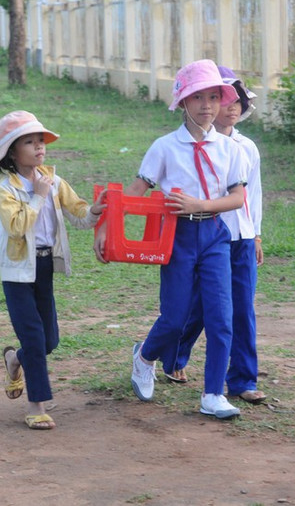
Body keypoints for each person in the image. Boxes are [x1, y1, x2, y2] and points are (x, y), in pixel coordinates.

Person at [94, 59, 249, 420]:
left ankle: (213, 394)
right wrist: (104, 228)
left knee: (221, 317)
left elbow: (237, 198)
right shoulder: (164, 147)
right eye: (198, 97)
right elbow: (136, 190)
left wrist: (201, 204)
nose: (207, 105)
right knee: (176, 318)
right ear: (182, 102)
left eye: (214, 97)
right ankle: (145, 357)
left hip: (214, 236)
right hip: (176, 238)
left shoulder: (230, 150)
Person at [0, 110, 107, 430]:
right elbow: (16, 227)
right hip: (16, 271)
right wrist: (38, 197)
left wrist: (95, 209)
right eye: (29, 142)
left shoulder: (53, 180)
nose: (39, 147)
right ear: (12, 153)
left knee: (48, 342)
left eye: (40, 141)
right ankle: (36, 405)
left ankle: (15, 360)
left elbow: (79, 213)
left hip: (44, 265)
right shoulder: (7, 188)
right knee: (33, 335)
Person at [164, 65, 267, 404]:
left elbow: (253, 196)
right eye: (227, 99)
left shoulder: (245, 147)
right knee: (197, 307)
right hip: (204, 234)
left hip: (240, 237)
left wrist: (256, 235)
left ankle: (242, 380)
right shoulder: (197, 145)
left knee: (240, 310)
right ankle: (173, 358)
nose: (234, 106)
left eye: (240, 100)